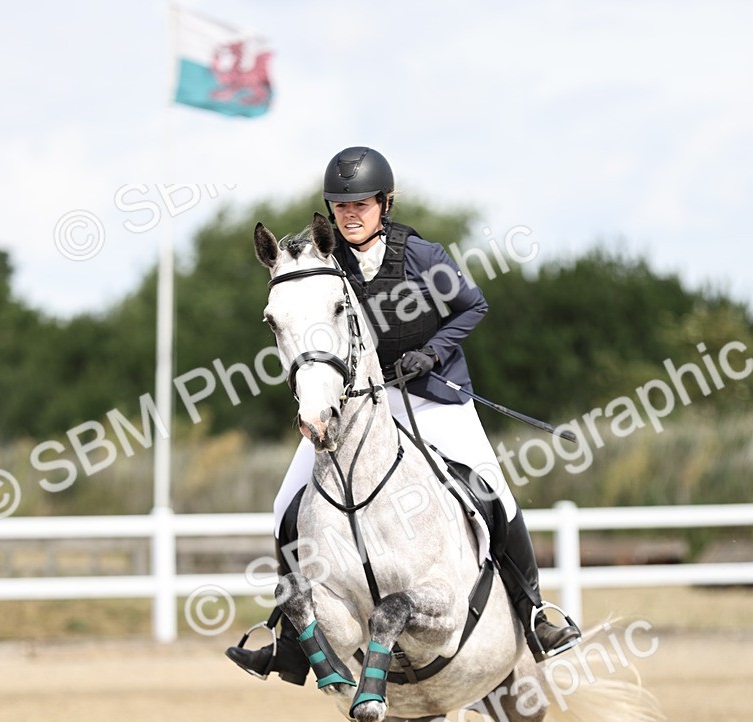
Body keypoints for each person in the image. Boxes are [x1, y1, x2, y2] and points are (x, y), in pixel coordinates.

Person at [227, 146, 581, 683]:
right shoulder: (328, 263)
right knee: (285, 505)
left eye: (362, 204)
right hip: (360, 403)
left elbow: (473, 305)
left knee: (493, 490)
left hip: (432, 394)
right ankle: (289, 637)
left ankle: (534, 613)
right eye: (341, 205)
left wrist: (433, 352)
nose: (351, 214)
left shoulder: (419, 254)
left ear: (384, 204)